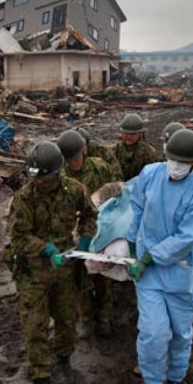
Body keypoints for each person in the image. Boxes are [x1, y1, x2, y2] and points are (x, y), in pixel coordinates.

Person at [6, 141, 96, 384]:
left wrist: (84, 238)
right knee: (34, 327)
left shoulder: (73, 191)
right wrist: (45, 249)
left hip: (65, 270)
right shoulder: (24, 198)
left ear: (57, 172)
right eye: (35, 176)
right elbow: (18, 238)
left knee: (67, 319)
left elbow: (91, 216)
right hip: (34, 272)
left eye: (43, 176)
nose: (38, 180)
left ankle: (63, 360)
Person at [126, 129, 193, 384]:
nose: (175, 167)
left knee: (179, 333)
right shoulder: (150, 174)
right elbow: (136, 206)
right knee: (153, 333)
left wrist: (150, 256)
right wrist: (131, 243)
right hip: (148, 275)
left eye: (182, 163)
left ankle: (175, 380)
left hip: (178, 273)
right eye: (172, 160)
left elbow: (186, 238)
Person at [57, 129, 119, 337]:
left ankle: (105, 316)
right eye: (69, 159)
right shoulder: (61, 177)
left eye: (76, 156)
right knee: (80, 279)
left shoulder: (100, 168)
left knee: (104, 276)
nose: (74, 162)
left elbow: (117, 193)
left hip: (103, 230)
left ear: (84, 150)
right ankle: (85, 317)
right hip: (77, 232)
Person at [112, 113, 159, 181]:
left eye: (132, 134)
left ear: (139, 134)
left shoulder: (148, 152)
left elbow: (153, 175)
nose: (128, 137)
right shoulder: (115, 150)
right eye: (126, 133)